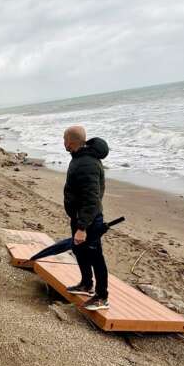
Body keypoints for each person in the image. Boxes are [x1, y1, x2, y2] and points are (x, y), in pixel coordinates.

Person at [62, 125, 111, 311]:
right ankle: (86, 284)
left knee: (95, 256)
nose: (63, 143)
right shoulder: (79, 158)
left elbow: (92, 198)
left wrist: (82, 227)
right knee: (79, 251)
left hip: (89, 220)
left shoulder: (87, 163)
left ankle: (102, 296)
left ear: (72, 141)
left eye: (65, 139)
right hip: (79, 218)